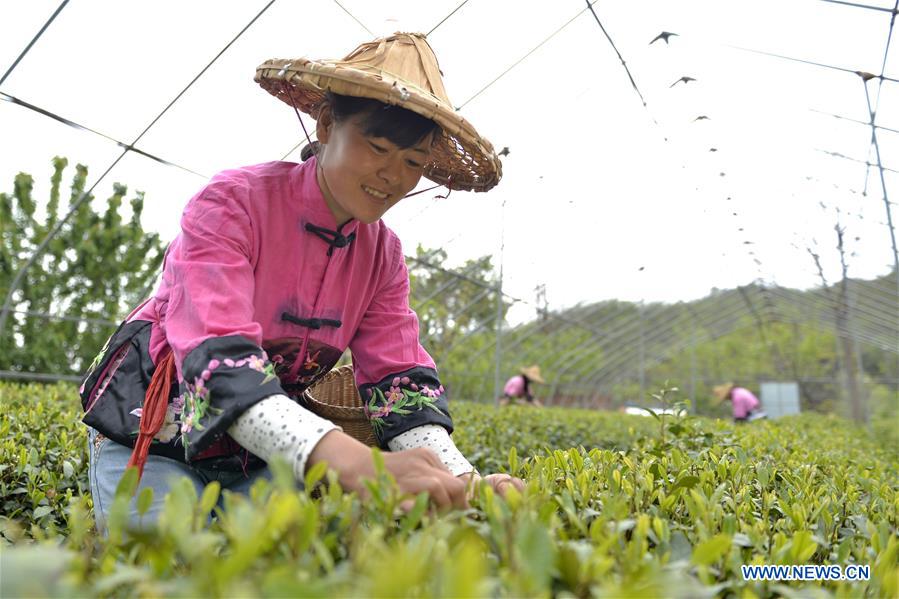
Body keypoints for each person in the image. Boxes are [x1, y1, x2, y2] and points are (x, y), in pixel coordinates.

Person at [79, 32, 523, 532]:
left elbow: (398, 382)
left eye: (414, 162)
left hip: (260, 453)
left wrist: (463, 478)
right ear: (328, 125)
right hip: (154, 431)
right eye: (377, 146)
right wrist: (353, 461)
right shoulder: (232, 204)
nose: (393, 176)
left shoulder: (383, 255)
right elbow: (216, 354)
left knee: (279, 558)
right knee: (161, 554)